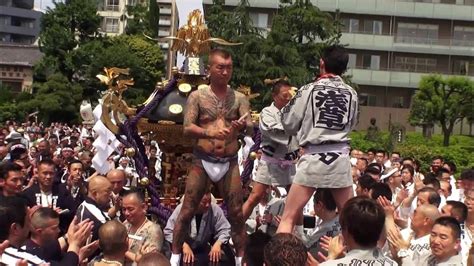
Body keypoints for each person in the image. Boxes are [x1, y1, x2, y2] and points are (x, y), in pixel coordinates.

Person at [170, 48, 252, 266]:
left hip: (229, 160)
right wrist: (210, 132)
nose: (225, 72)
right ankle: (174, 258)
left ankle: (240, 259)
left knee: (236, 213)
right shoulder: (197, 96)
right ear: (210, 69)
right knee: (187, 209)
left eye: (229, 67)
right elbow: (187, 128)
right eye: (220, 67)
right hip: (202, 158)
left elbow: (251, 126)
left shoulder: (240, 98)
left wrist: (242, 126)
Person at [277, 45, 358, 234]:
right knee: (352, 221)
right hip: (339, 158)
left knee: (288, 217)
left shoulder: (308, 90)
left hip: (313, 157)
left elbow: (288, 123)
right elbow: (353, 123)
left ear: (322, 63)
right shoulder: (351, 93)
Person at [242, 80, 295, 221]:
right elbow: (275, 131)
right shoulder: (267, 112)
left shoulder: (294, 113)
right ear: (274, 96)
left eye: (290, 95)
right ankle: (234, 229)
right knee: (255, 196)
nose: (288, 98)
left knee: (295, 201)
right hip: (270, 161)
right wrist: (295, 130)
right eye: (285, 95)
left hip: (289, 161)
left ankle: (299, 233)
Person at [319, 197, 395, 265]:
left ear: (346, 231)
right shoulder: (393, 264)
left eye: (341, 228)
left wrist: (331, 258)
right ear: (381, 231)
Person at [165, 192, 232, 265]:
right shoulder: (181, 209)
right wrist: (183, 245)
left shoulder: (214, 209)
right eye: (204, 202)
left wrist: (218, 243)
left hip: (203, 252)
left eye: (209, 202)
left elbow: (226, 229)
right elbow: (168, 231)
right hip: (182, 252)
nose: (207, 205)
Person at [22, 159, 77, 233]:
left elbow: (72, 212)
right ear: (37, 173)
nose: (48, 177)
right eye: (45, 173)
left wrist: (59, 214)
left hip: (59, 234)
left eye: (51, 173)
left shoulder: (62, 191)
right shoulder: (28, 194)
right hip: (36, 235)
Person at [122, 187, 163, 262]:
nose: (126, 213)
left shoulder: (153, 230)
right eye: (124, 209)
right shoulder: (124, 225)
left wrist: (122, 252)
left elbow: (148, 261)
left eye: (130, 209)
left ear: (144, 207)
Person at [302, 188, 340, 258]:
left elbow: (306, 249)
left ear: (319, 205)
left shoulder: (329, 230)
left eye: (314, 203)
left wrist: (295, 229)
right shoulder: (339, 219)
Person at [76, 176, 113, 243]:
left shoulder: (84, 205)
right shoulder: (100, 220)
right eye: (107, 191)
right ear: (95, 194)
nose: (111, 194)